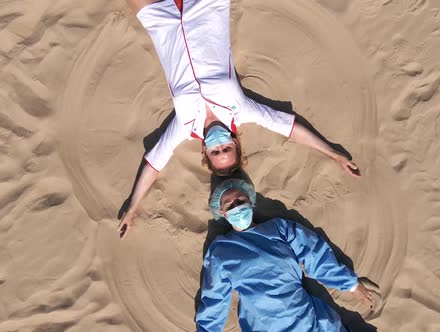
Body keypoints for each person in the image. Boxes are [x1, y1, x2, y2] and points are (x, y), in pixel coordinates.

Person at [118, 0, 360, 239]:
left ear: (205, 150)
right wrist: (333, 154)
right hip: (206, 8)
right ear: (235, 142)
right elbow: (289, 127)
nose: (219, 144)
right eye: (226, 148)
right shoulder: (241, 110)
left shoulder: (185, 127)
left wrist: (133, 208)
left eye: (216, 151)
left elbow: (153, 165)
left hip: (163, 21)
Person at [195, 179, 373, 331]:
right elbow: (214, 298)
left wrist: (350, 284)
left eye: (240, 200)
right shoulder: (221, 250)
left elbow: (314, 252)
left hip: (304, 316)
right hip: (263, 323)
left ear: (250, 201)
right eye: (230, 205)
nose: (237, 207)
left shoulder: (279, 228)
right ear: (223, 213)